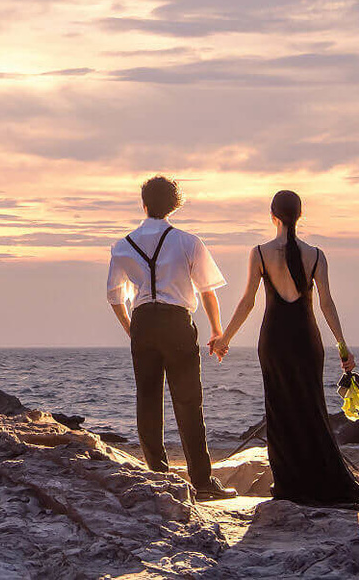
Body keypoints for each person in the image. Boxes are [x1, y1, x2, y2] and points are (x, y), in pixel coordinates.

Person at [210, 190, 359, 506]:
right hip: (307, 339)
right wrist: (343, 348)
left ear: (273, 215)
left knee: (280, 409)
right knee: (311, 407)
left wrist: (225, 339)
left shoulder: (259, 252)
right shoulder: (316, 255)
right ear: (300, 215)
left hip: (274, 340)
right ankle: (317, 478)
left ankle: (288, 483)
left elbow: (247, 302)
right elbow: (326, 303)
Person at [107, 176, 238, 501]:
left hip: (143, 321)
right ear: (174, 205)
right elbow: (207, 292)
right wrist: (217, 331)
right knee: (189, 402)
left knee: (148, 400)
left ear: (144, 203)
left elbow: (113, 296)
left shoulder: (123, 245)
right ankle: (203, 483)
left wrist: (131, 328)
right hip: (177, 322)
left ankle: (158, 476)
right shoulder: (188, 241)